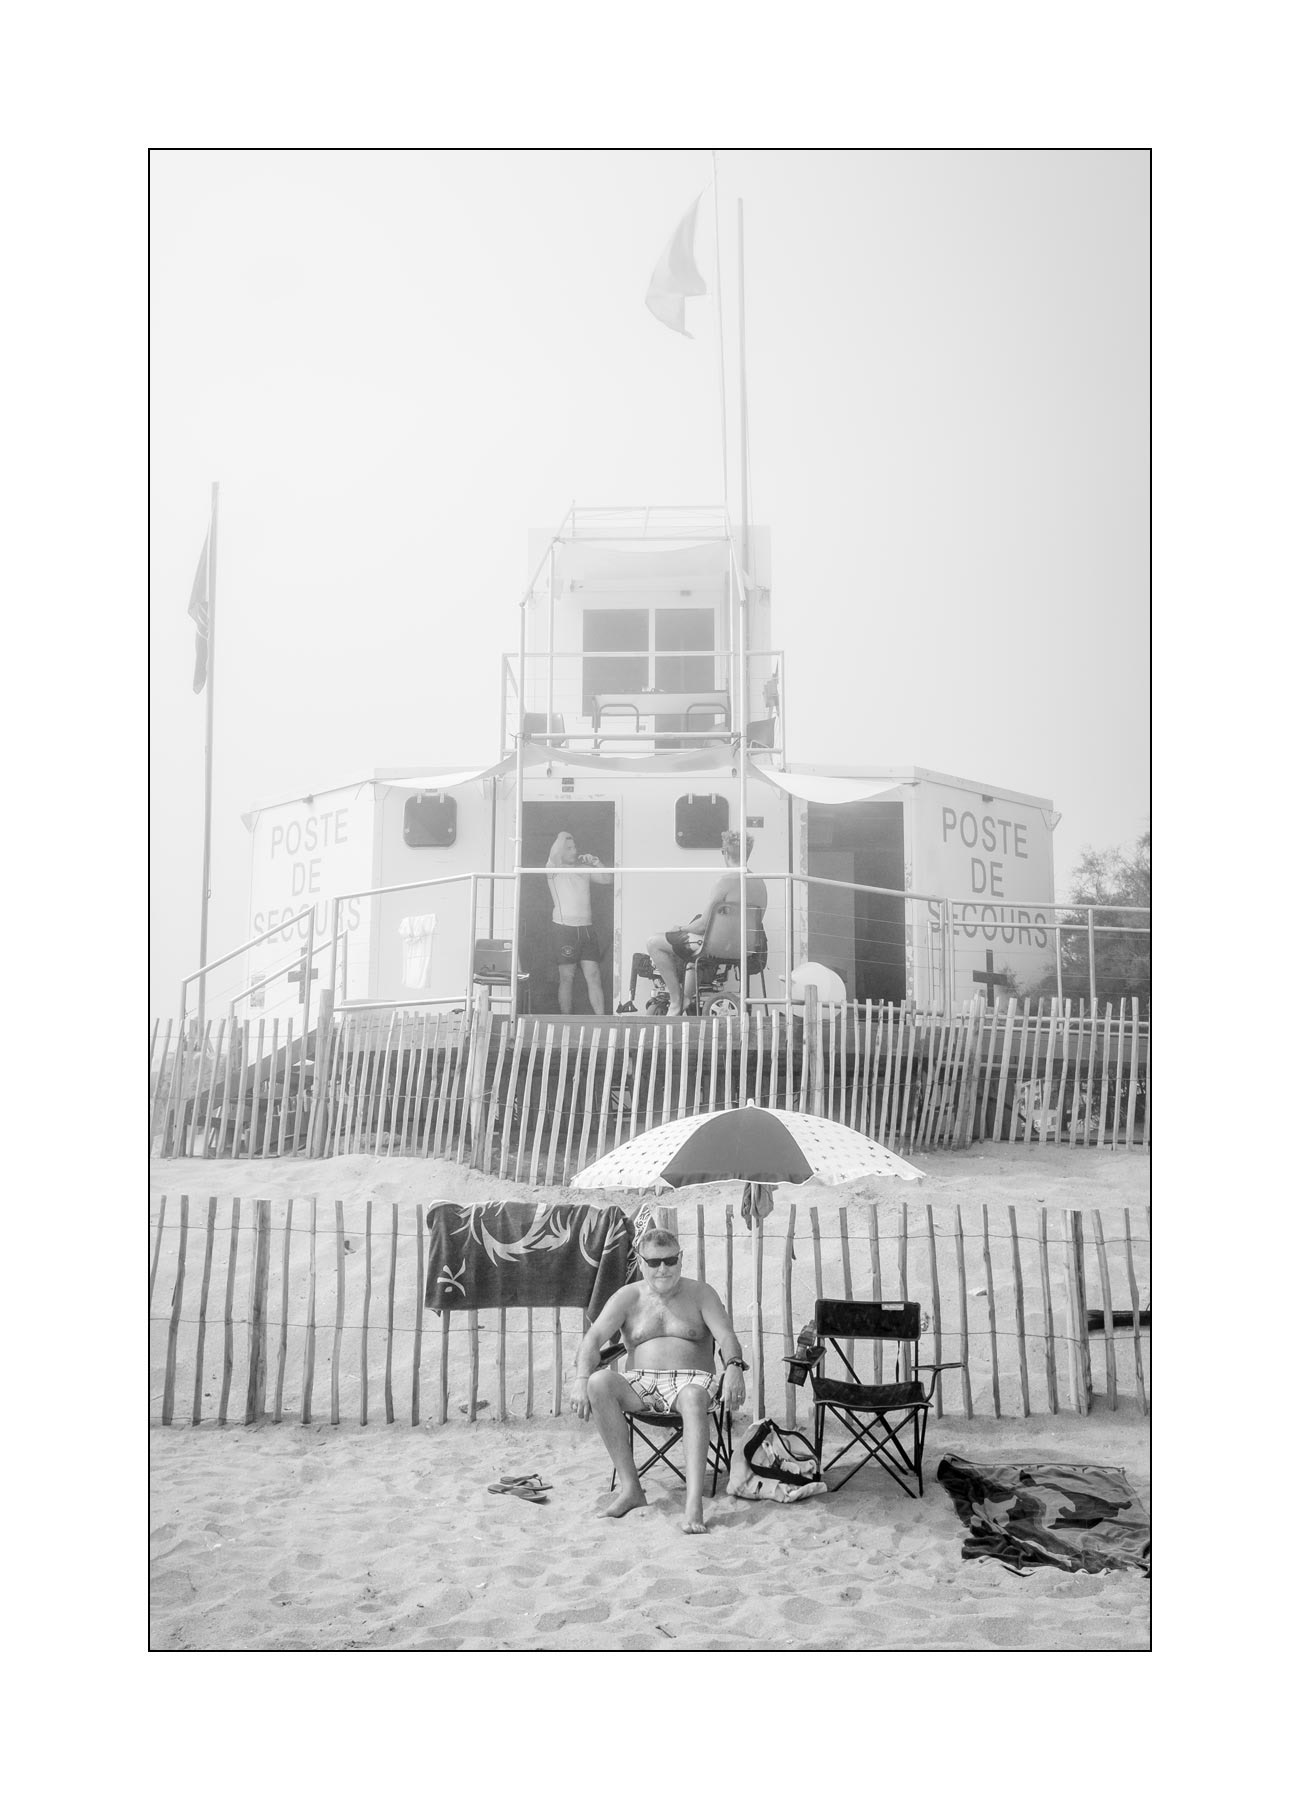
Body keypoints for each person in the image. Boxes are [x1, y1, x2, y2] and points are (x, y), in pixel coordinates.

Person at [572, 1227, 747, 1533]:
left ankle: (694, 1503)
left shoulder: (701, 1294)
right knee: (598, 1383)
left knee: (692, 1396)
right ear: (641, 1262)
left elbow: (726, 1336)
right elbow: (593, 1338)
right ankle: (631, 1489)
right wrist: (581, 1378)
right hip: (640, 1383)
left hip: (692, 1383)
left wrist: (733, 1366)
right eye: (653, 1262)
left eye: (669, 1260)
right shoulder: (628, 1297)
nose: (662, 1268)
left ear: (681, 1259)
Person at [645, 829, 768, 1016]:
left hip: (717, 946)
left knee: (654, 943)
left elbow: (703, 925)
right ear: (748, 854)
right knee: (694, 950)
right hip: (746, 947)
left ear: (725, 852)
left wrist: (681, 928)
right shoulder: (760, 885)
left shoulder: (724, 882)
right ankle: (687, 997)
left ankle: (676, 1001)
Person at [546, 830, 612, 1014]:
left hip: (586, 929)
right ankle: (565, 1020)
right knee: (567, 977)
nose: (574, 851)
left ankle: (601, 1020)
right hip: (564, 928)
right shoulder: (553, 868)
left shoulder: (583, 868)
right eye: (568, 848)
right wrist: (564, 835)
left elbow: (608, 879)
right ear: (561, 850)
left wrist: (596, 862)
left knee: (594, 974)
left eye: (574, 847)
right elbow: (554, 852)